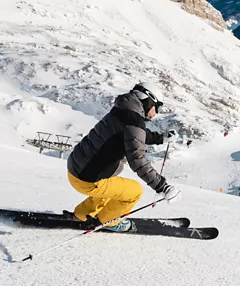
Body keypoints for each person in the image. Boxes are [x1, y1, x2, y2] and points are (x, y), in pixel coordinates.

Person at [65, 82, 181, 232]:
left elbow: (134, 134)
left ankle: (82, 214)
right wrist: (162, 186)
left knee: (112, 187)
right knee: (134, 192)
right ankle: (110, 222)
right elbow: (138, 160)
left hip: (75, 168)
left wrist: (161, 138)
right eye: (158, 107)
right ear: (149, 100)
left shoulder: (122, 108)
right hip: (87, 179)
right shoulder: (134, 120)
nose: (156, 113)